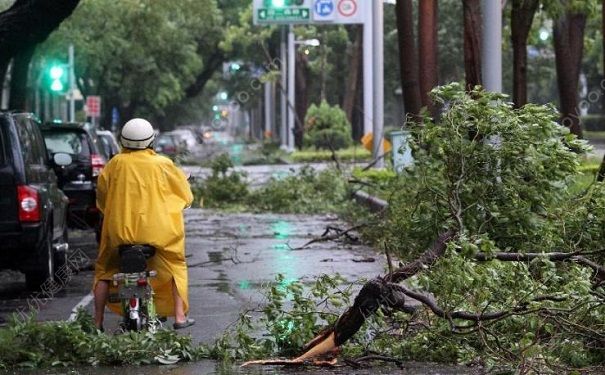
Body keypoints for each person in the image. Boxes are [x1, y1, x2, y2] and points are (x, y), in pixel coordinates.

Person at [93, 118, 195, 331]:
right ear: (151, 141)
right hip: (159, 235)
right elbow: (184, 196)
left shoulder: (114, 165)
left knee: (104, 271)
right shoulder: (163, 164)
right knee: (176, 265)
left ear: (123, 140)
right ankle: (179, 317)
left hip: (119, 234)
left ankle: (97, 322)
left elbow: (102, 198)